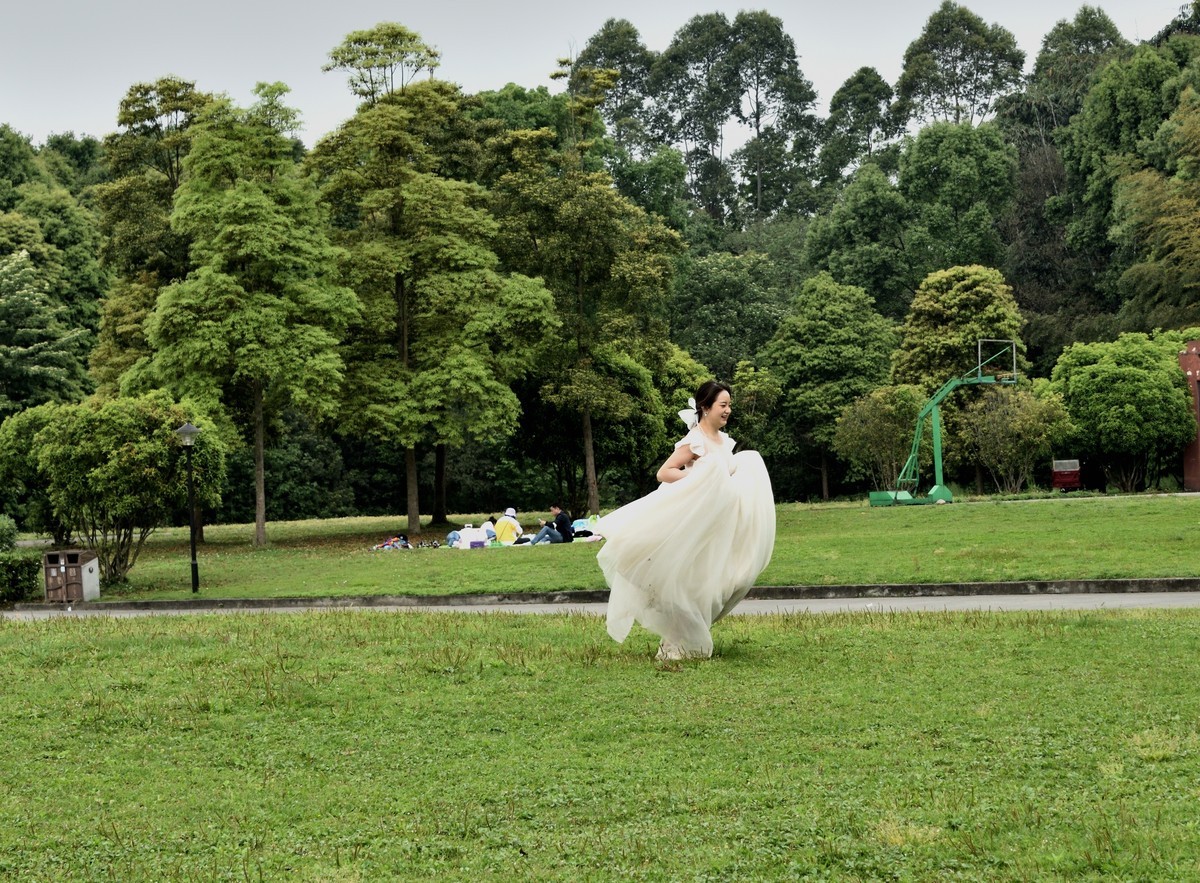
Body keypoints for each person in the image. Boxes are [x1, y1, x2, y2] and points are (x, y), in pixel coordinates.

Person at [597, 380, 775, 660]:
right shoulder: (695, 440)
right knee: (685, 581)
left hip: (717, 524)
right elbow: (664, 472)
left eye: (730, 405)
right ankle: (677, 641)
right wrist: (701, 481)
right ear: (705, 407)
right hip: (691, 518)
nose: (728, 410)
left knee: (722, 580)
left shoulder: (725, 442)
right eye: (723, 405)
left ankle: (685, 635)